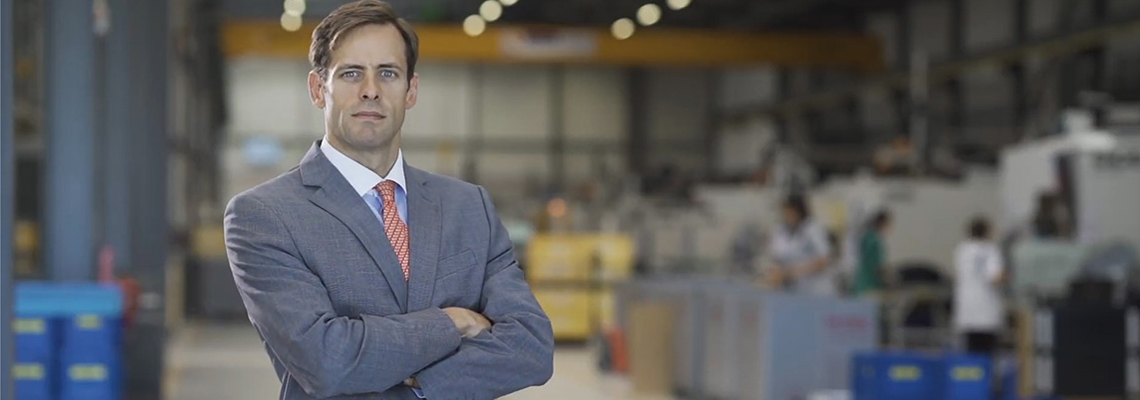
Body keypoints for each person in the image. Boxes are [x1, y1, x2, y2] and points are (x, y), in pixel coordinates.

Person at [222, 2, 554, 399]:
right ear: (317, 89)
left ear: (411, 90)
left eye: (388, 73)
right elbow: (326, 361)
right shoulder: (264, 215)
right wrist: (453, 322)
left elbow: (531, 347)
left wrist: (417, 381)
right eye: (351, 73)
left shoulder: (469, 207)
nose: (370, 90)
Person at [952, 217, 1006, 356]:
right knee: (986, 352)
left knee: (970, 352)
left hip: (967, 309)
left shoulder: (962, 250)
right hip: (986, 309)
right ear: (987, 232)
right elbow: (995, 278)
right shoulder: (991, 250)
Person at [763, 195, 837, 296]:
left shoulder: (813, 229)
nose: (787, 216)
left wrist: (792, 272)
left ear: (799, 212)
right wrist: (773, 274)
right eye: (785, 213)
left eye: (790, 212)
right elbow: (776, 259)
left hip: (817, 290)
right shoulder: (781, 231)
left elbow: (824, 261)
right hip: (793, 291)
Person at [854, 210, 891, 297]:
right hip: (870, 286)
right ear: (882, 223)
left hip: (861, 283)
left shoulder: (866, 236)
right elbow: (877, 266)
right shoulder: (874, 241)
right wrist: (888, 281)